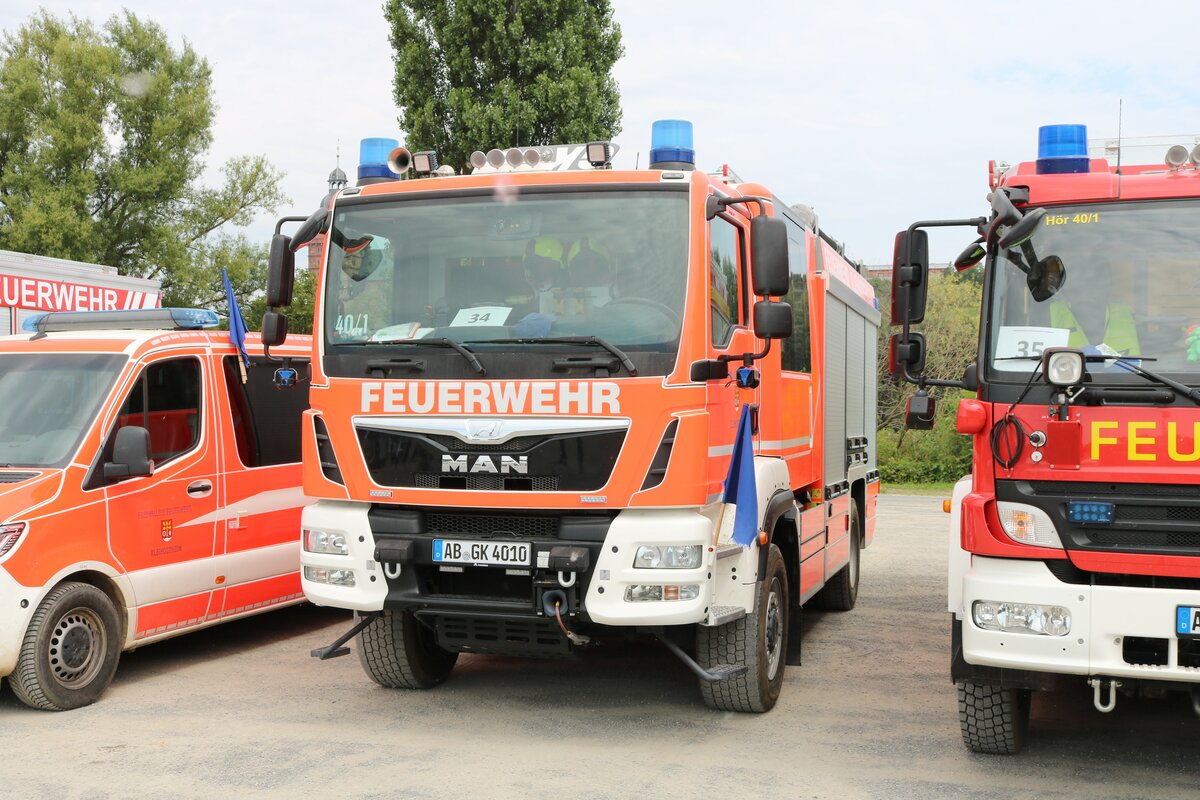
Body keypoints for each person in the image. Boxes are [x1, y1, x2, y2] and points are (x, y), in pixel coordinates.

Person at [1049, 258, 1140, 356]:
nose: (1088, 293)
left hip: (1132, 372)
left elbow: (1151, 356)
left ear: (1107, 287)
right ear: (1069, 288)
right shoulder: (1049, 313)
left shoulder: (1126, 314)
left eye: (1094, 284)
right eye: (1081, 286)